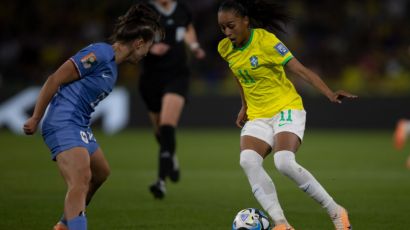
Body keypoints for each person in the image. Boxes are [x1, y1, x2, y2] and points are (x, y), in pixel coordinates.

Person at [217, 1, 357, 229]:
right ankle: (281, 224)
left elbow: (299, 69)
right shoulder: (225, 48)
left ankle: (335, 211)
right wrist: (244, 105)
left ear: (245, 21)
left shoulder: (267, 41)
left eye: (231, 26)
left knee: (283, 162)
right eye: (222, 28)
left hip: (286, 108)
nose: (227, 32)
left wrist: (329, 93)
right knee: (248, 161)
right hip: (258, 115)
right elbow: (239, 75)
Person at [23, 3, 162, 230]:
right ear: (138, 43)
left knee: (101, 173)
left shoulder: (113, 68)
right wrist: (35, 117)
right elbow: (54, 79)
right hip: (63, 122)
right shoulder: (99, 53)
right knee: (80, 179)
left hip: (80, 125)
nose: (147, 52)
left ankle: (64, 225)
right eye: (148, 46)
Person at [139, 0, 205, 199]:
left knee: (167, 125)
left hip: (177, 75)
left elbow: (187, 28)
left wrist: (194, 46)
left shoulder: (182, 8)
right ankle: (171, 157)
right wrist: (150, 48)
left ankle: (160, 181)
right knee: (159, 131)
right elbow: (130, 36)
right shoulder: (143, 10)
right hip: (151, 78)